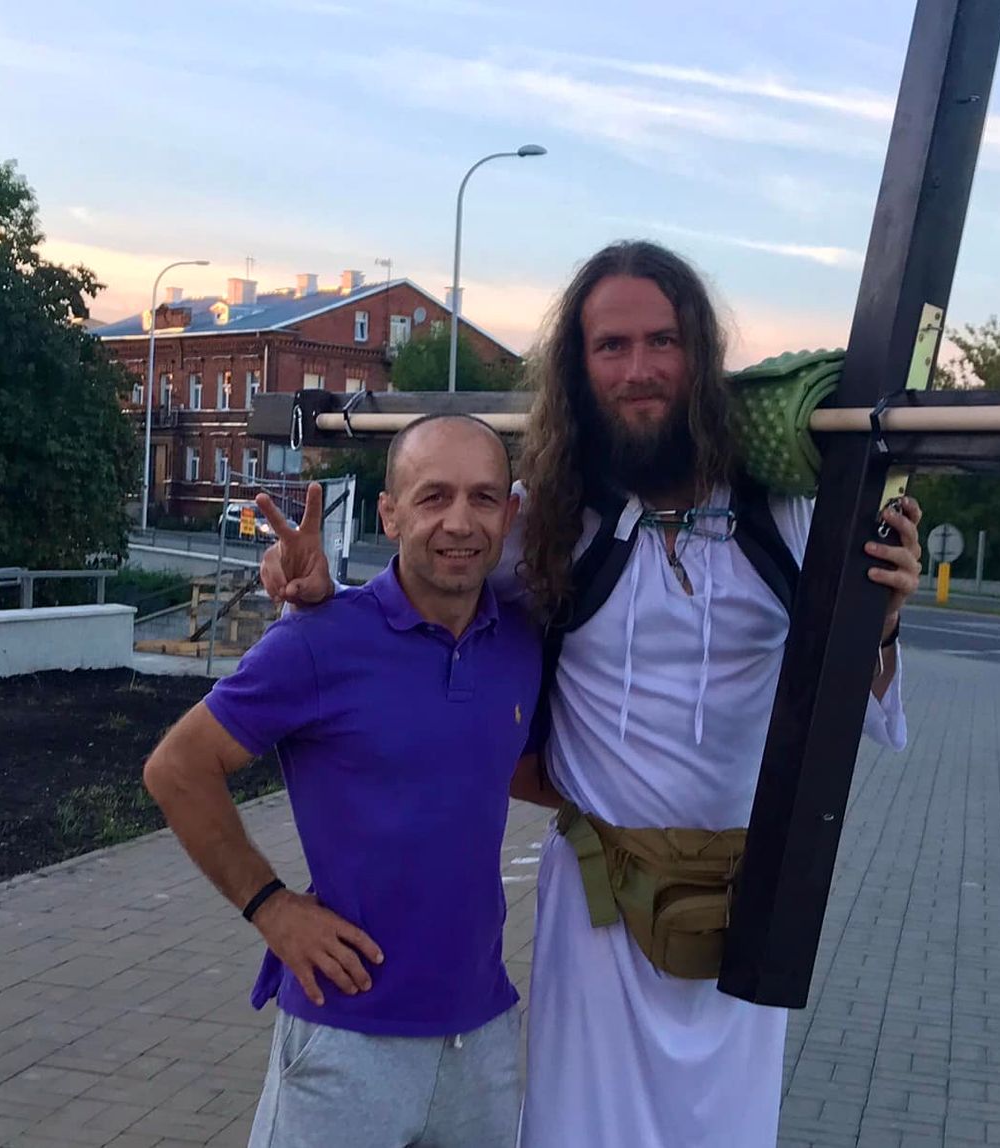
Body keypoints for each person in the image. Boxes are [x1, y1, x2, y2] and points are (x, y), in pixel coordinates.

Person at [260, 240, 922, 1147]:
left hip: (748, 901)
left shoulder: (789, 515)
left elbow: (861, 705)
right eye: (611, 346)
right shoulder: (549, 521)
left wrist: (881, 623)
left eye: (662, 341)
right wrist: (319, 599)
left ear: (700, 355)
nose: (638, 369)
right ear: (579, 367)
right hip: (600, 909)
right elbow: (425, 604)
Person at [143, 413, 541, 1148]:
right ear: (389, 515)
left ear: (510, 514)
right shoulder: (318, 641)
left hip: (482, 1040)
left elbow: (510, 765)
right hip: (346, 1041)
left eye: (484, 498)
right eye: (433, 497)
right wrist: (269, 907)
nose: (460, 521)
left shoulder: (518, 643)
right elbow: (176, 767)